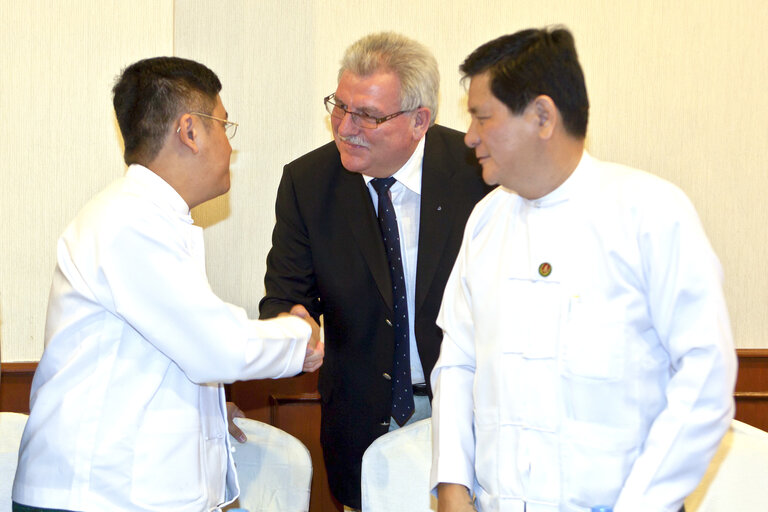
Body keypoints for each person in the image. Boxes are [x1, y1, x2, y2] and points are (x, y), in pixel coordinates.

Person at [430, 27, 737, 512]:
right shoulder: (486, 221)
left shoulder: (650, 212)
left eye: (482, 117)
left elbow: (706, 378)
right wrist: (451, 487)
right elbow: (458, 361)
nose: (468, 137)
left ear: (542, 116)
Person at [12, 56, 322, 512]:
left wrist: (208, 414)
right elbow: (215, 346)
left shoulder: (149, 219)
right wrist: (302, 338)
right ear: (190, 131)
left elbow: (162, 353)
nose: (229, 147)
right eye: (223, 125)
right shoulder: (128, 222)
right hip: (96, 497)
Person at [254, 32, 490, 509]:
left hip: (470, 415)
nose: (345, 127)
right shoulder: (308, 183)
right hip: (361, 424)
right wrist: (292, 324)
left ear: (419, 120)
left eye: (368, 115)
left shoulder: (476, 173)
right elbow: (283, 297)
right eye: (340, 106)